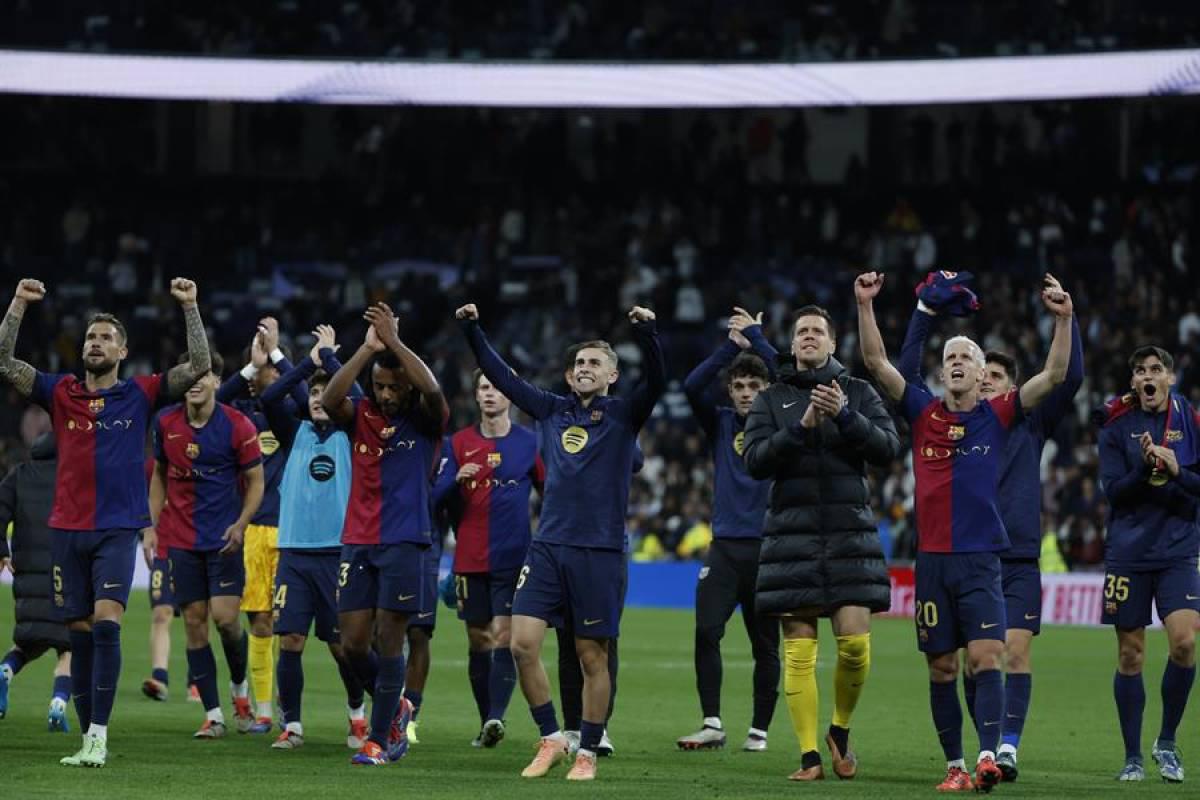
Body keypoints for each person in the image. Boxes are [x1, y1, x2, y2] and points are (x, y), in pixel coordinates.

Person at [855, 270, 1074, 792]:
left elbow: (1054, 375)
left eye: (966, 358)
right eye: (949, 357)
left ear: (981, 377)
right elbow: (876, 363)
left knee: (985, 657)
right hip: (932, 562)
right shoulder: (922, 412)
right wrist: (864, 305)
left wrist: (1064, 319)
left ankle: (987, 758)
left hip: (980, 562)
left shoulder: (998, 415)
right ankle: (954, 766)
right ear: (943, 372)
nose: (956, 362)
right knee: (941, 669)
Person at [0, 276, 211, 768]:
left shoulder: (140, 393)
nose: (95, 343)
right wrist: (18, 305)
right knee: (76, 631)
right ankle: (86, 737)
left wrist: (190, 307)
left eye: (106, 338)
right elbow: (4, 362)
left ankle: (98, 734)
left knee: (106, 623)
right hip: (66, 531)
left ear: (122, 351)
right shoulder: (61, 392)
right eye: (91, 337)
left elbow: (198, 366)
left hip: (116, 530)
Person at [456, 301, 665, 782]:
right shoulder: (551, 410)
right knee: (522, 645)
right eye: (579, 363)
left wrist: (647, 333)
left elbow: (656, 381)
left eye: (595, 362)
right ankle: (552, 736)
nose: (585, 368)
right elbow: (502, 376)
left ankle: (588, 748)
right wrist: (473, 330)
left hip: (599, 551)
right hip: (548, 546)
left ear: (612, 375)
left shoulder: (624, 415)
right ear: (569, 376)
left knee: (592, 655)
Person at [742, 304, 900, 781]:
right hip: (791, 539)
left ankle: (840, 730)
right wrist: (801, 429)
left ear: (832, 343)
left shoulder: (858, 392)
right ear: (792, 345)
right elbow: (754, 461)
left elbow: (888, 449)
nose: (809, 336)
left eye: (817, 331)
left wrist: (845, 417)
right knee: (799, 652)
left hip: (849, 536)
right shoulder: (772, 399)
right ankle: (809, 755)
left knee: (855, 647)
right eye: (801, 332)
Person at [322, 302, 448, 766]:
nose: (387, 395)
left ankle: (378, 740)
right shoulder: (359, 414)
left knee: (391, 638)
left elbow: (431, 389)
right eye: (379, 386)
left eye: (394, 387)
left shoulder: (426, 420)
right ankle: (397, 706)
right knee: (353, 643)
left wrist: (395, 341)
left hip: (405, 540)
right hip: (358, 539)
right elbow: (330, 400)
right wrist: (367, 350)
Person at [145, 352, 265, 738]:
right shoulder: (165, 423)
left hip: (224, 539)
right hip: (182, 542)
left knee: (227, 621)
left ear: (216, 382)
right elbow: (160, 475)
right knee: (195, 624)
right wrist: (150, 527)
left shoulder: (238, 425)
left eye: (204, 375)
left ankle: (239, 689)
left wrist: (242, 523)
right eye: (189, 376)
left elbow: (256, 481)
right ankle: (213, 714)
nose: (195, 382)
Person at [677, 308, 781, 753]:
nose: (744, 393)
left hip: (768, 550)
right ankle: (712, 723)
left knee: (765, 646)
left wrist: (757, 339)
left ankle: (759, 730)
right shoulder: (720, 423)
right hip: (723, 548)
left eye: (754, 386)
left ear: (767, 390)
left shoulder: (782, 421)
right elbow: (690, 386)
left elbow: (793, 379)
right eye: (738, 386)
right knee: (706, 631)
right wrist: (730, 348)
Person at [258, 324, 367, 750]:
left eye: (327, 394)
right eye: (315, 394)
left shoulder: (351, 433)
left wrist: (331, 362)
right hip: (295, 553)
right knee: (291, 639)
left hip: (338, 554)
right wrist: (308, 362)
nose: (320, 399)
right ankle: (293, 725)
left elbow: (359, 399)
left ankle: (357, 715)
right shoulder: (295, 431)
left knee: (342, 646)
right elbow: (270, 397)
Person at [1097, 345, 1200, 783]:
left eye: (1156, 369)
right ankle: (1133, 757)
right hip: (1128, 553)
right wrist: (1143, 469)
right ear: (1133, 382)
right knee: (1130, 654)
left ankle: (1167, 742)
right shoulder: (1116, 427)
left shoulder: (1190, 420)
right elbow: (1113, 492)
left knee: (1185, 643)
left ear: (1170, 378)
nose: (1148, 376)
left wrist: (1177, 470)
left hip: (1178, 550)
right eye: (1140, 371)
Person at [433, 370, 544, 748]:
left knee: (504, 636)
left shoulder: (530, 442)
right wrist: (453, 481)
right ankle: (486, 723)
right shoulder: (458, 443)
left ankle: (497, 715)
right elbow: (432, 498)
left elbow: (550, 492)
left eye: (497, 387)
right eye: (484, 387)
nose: (491, 393)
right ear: (476, 395)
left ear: (510, 395)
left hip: (514, 557)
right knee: (478, 639)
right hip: (469, 557)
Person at [216, 317, 306, 732]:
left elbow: (300, 392)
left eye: (267, 368)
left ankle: (290, 703)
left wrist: (276, 355)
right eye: (257, 370)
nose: (260, 377)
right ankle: (265, 709)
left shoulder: (295, 414)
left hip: (292, 531)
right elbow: (216, 400)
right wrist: (252, 365)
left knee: (292, 628)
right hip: (253, 529)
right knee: (260, 622)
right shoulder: (240, 416)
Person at [0, 432, 72, 731]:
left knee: (29, 640)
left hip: (26, 570)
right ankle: (58, 704)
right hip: (66, 571)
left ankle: (5, 671)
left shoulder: (19, 475)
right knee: (70, 646)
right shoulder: (71, 476)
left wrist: (3, 550)